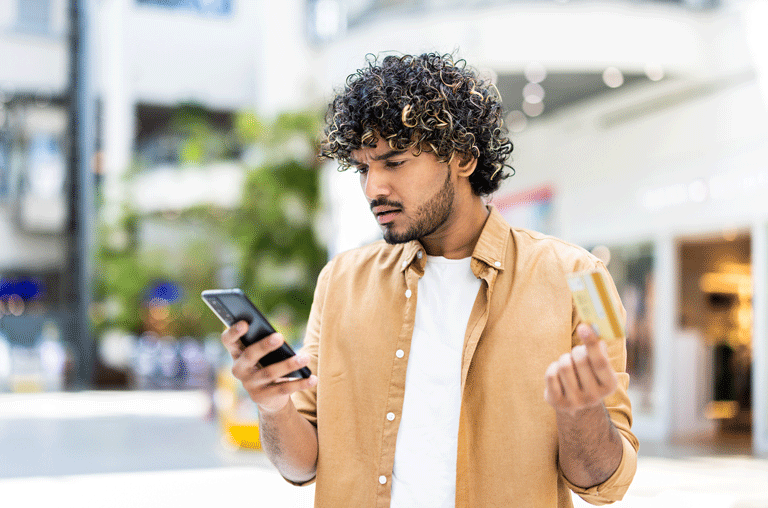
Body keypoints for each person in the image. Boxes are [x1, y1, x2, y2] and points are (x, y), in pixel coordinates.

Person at [220, 52, 638, 508]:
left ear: (462, 157)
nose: (373, 188)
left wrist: (580, 411)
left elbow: (606, 484)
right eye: (363, 168)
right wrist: (273, 405)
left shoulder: (584, 278)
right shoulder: (339, 281)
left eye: (394, 162)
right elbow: (301, 466)